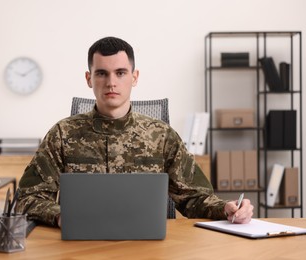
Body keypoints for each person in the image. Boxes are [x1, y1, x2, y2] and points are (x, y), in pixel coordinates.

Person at [16, 36, 254, 227]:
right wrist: (60, 216)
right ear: (89, 79)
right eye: (101, 73)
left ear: (134, 77)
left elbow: (195, 198)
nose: (111, 82)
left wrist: (226, 208)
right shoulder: (62, 134)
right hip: (80, 245)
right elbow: (27, 199)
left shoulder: (162, 136)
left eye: (120, 73)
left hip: (148, 248)